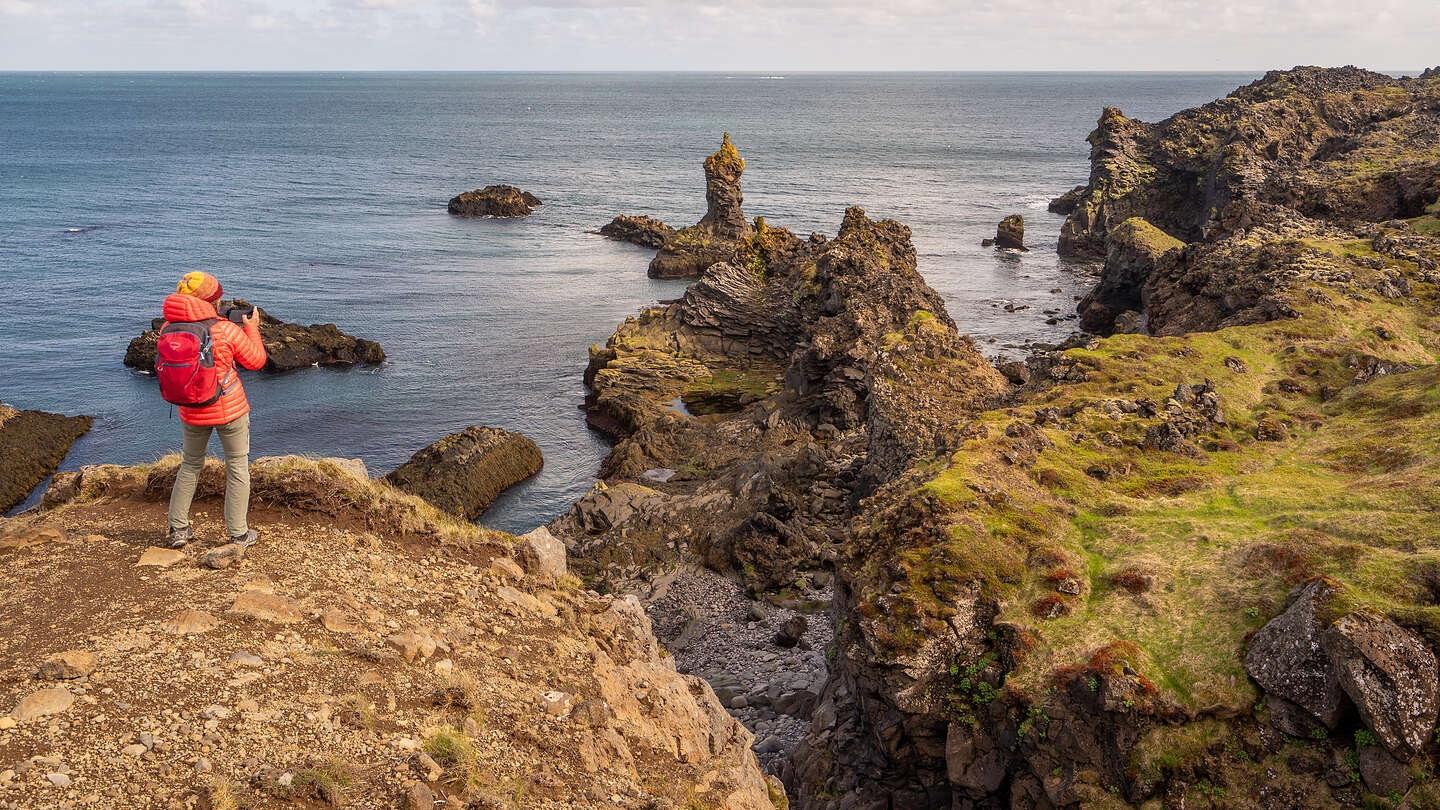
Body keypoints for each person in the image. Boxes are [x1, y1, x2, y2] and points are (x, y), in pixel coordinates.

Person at [162, 271, 267, 549]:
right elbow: (256, 361)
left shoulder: (168, 329)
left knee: (191, 464)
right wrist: (252, 328)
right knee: (237, 468)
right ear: (211, 301)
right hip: (229, 408)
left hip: (191, 409)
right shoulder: (224, 329)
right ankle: (238, 534)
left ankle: (178, 530)